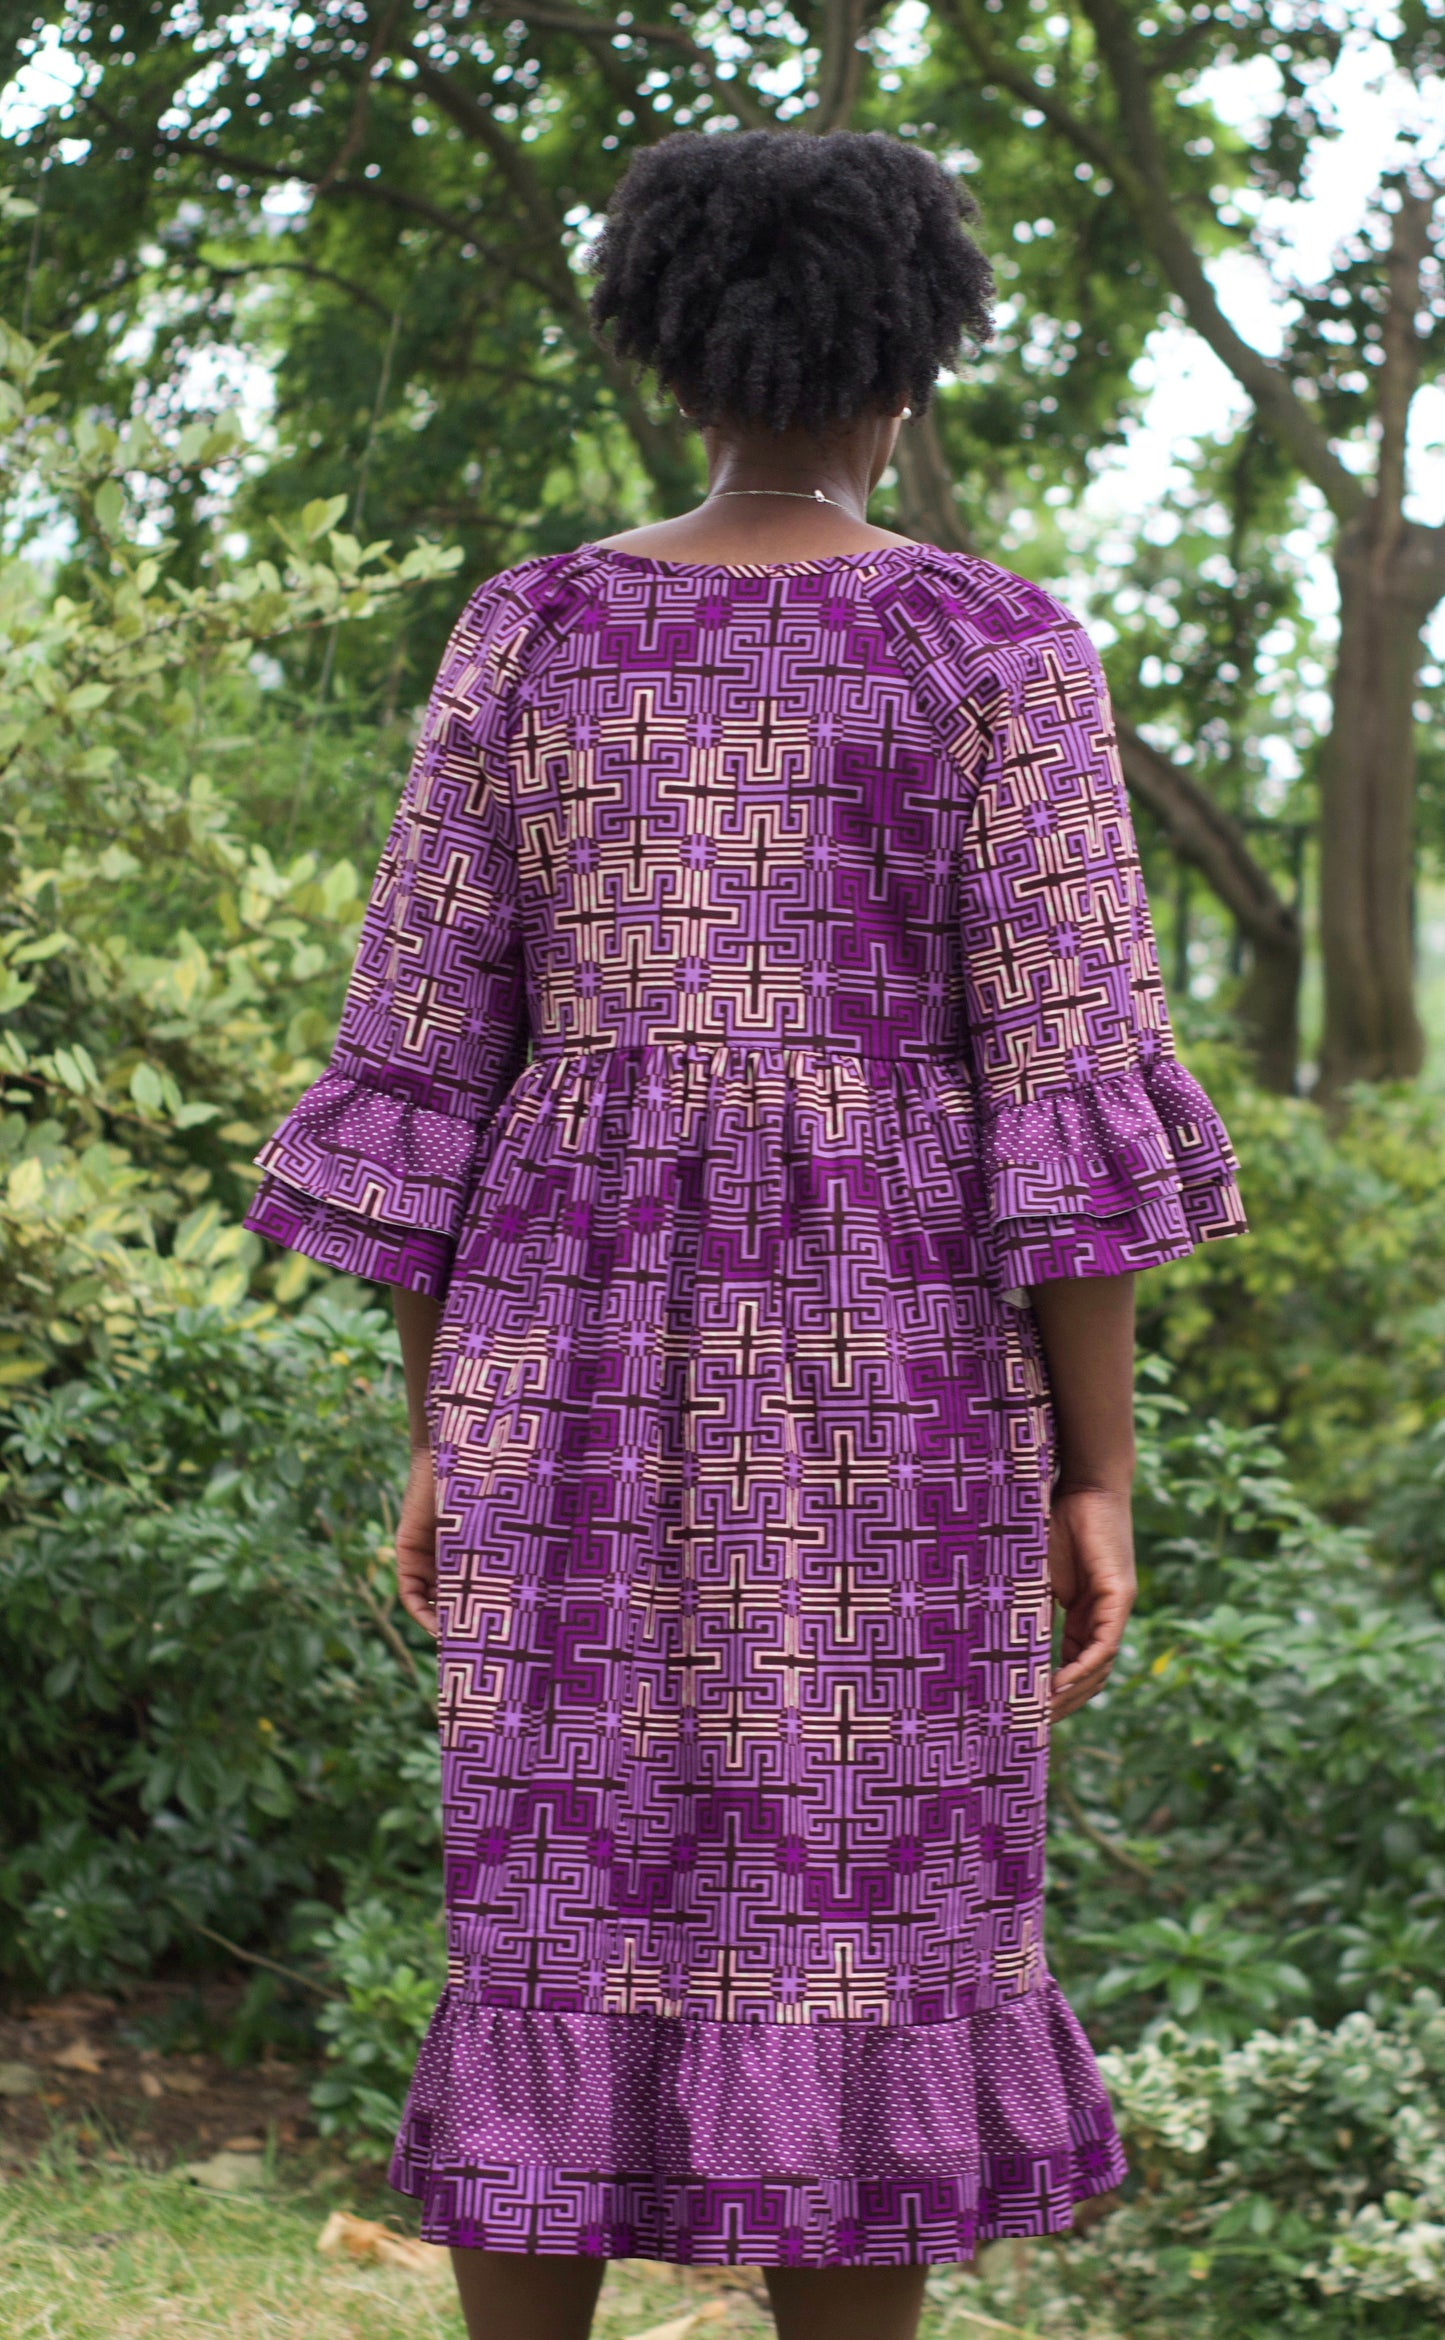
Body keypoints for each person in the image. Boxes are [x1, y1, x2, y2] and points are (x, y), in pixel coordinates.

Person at [244, 126, 1245, 2340]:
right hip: (902, 1375)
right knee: (869, 1904)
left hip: (561, 1359)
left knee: (558, 1895)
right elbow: (1062, 1106)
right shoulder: (997, 652)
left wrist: (444, 1427)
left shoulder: (537, 632)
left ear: (677, 351)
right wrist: (1100, 1471)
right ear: (904, 364)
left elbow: (428, 1075)